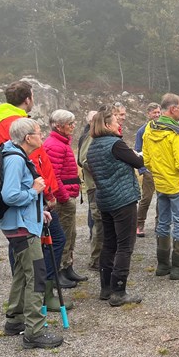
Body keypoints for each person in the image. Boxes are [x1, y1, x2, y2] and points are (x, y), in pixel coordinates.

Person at [0, 118, 63, 349]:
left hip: (21, 223)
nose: (42, 135)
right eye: (38, 132)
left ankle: (14, 320)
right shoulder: (15, 160)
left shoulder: (12, 153)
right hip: (22, 227)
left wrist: (38, 211)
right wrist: (34, 192)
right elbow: (11, 195)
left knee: (23, 273)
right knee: (36, 274)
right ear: (28, 138)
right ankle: (33, 332)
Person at [86, 108, 145, 306]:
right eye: (114, 122)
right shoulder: (116, 144)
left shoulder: (92, 146)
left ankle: (106, 288)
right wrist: (139, 153)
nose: (118, 125)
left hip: (105, 199)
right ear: (107, 125)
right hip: (123, 200)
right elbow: (138, 162)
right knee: (125, 245)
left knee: (109, 244)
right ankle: (119, 291)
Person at [142, 94, 179, 280]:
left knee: (163, 223)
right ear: (172, 109)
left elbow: (146, 158)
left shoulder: (150, 127)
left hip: (160, 182)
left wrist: (157, 171)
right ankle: (177, 267)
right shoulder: (176, 132)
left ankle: (162, 265)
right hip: (177, 184)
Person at [43, 109, 87, 283]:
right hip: (63, 198)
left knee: (71, 234)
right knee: (63, 236)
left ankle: (68, 267)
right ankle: (58, 271)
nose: (73, 126)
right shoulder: (54, 145)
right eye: (70, 124)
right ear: (59, 126)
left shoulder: (61, 143)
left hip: (68, 195)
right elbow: (53, 176)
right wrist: (63, 197)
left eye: (73, 123)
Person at [78, 110, 102, 270]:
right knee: (99, 223)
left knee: (102, 222)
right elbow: (83, 160)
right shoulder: (90, 137)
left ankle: (101, 258)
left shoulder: (95, 136)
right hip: (95, 186)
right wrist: (104, 170)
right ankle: (96, 260)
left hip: (99, 185)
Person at [134, 102, 160, 237]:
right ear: (148, 114)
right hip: (149, 171)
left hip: (162, 171)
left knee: (162, 199)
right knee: (146, 198)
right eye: (154, 112)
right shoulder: (142, 131)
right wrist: (143, 170)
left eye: (158, 112)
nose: (157, 115)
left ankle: (159, 224)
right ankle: (139, 224)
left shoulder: (164, 129)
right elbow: (138, 151)